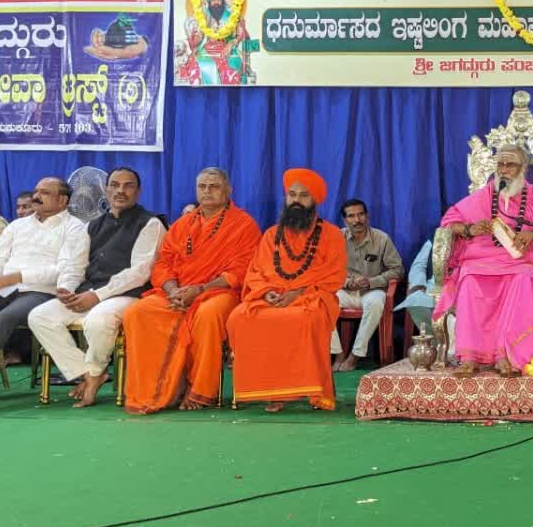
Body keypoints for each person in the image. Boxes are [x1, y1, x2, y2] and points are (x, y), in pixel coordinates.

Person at [122, 168, 261, 414]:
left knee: (207, 316)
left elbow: (241, 271)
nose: (207, 191)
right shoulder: (183, 223)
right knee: (138, 312)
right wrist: (174, 290)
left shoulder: (244, 225)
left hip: (220, 293)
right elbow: (163, 263)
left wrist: (199, 290)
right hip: (176, 293)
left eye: (214, 186)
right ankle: (164, 389)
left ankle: (201, 390)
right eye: (202, 187)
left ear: (228, 190)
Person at [434, 144, 533, 377]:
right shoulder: (481, 197)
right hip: (480, 260)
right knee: (468, 278)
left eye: (510, 165)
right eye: (500, 164)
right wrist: (470, 229)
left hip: (520, 263)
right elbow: (448, 223)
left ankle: (507, 356)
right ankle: (470, 357)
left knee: (523, 279)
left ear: (523, 170)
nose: (503, 170)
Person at [28, 168, 164, 407]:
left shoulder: (150, 224)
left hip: (127, 295)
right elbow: (75, 263)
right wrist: (67, 289)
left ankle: (91, 377)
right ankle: (90, 373)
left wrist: (96, 295)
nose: (120, 191)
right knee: (40, 316)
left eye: (128, 185)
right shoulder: (92, 225)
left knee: (98, 321)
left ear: (138, 191)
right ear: (106, 188)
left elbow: (140, 273)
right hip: (88, 291)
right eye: (115, 185)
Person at [229, 169, 346, 412]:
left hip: (312, 297)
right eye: (292, 194)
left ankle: (316, 392)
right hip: (272, 297)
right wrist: (266, 291)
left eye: (304, 195)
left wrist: (299, 291)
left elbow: (334, 275)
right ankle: (272, 392)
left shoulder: (332, 235)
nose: (296, 200)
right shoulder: (272, 234)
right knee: (240, 317)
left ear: (314, 201)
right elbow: (256, 270)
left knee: (305, 318)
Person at [0, 178, 89, 369]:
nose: (36, 196)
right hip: (3, 288)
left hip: (40, 292)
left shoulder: (75, 227)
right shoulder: (17, 226)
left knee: (6, 317)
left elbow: (65, 269)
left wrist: (18, 277)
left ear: (63, 200)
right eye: (36, 191)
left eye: (45, 193)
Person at [330, 198, 404, 372]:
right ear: (345, 220)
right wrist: (348, 282)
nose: (357, 220)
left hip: (372, 290)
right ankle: (338, 353)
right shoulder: (336, 238)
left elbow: (398, 270)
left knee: (376, 302)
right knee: (322, 300)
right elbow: (327, 270)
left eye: (361, 214)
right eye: (351, 216)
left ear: (367, 216)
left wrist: (371, 282)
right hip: (345, 290)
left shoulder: (381, 238)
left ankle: (355, 356)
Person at [0, 190, 40, 365]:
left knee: (9, 314)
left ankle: (17, 353)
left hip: (35, 288)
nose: (21, 211)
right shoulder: (13, 229)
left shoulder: (55, 229)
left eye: (26, 206)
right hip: (5, 286)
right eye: (18, 207)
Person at [395, 238, 435, 333]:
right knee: (415, 299)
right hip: (433, 288)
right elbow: (419, 265)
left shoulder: (475, 240)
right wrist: (418, 285)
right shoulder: (437, 236)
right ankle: (433, 343)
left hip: (464, 290)